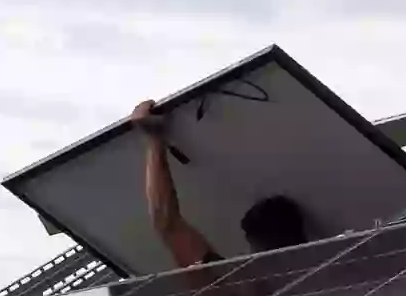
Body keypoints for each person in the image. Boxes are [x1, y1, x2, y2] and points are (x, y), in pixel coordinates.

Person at [132, 99, 318, 267]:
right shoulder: (327, 274)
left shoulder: (243, 285)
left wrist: (154, 140)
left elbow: (167, 224)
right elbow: (168, 225)